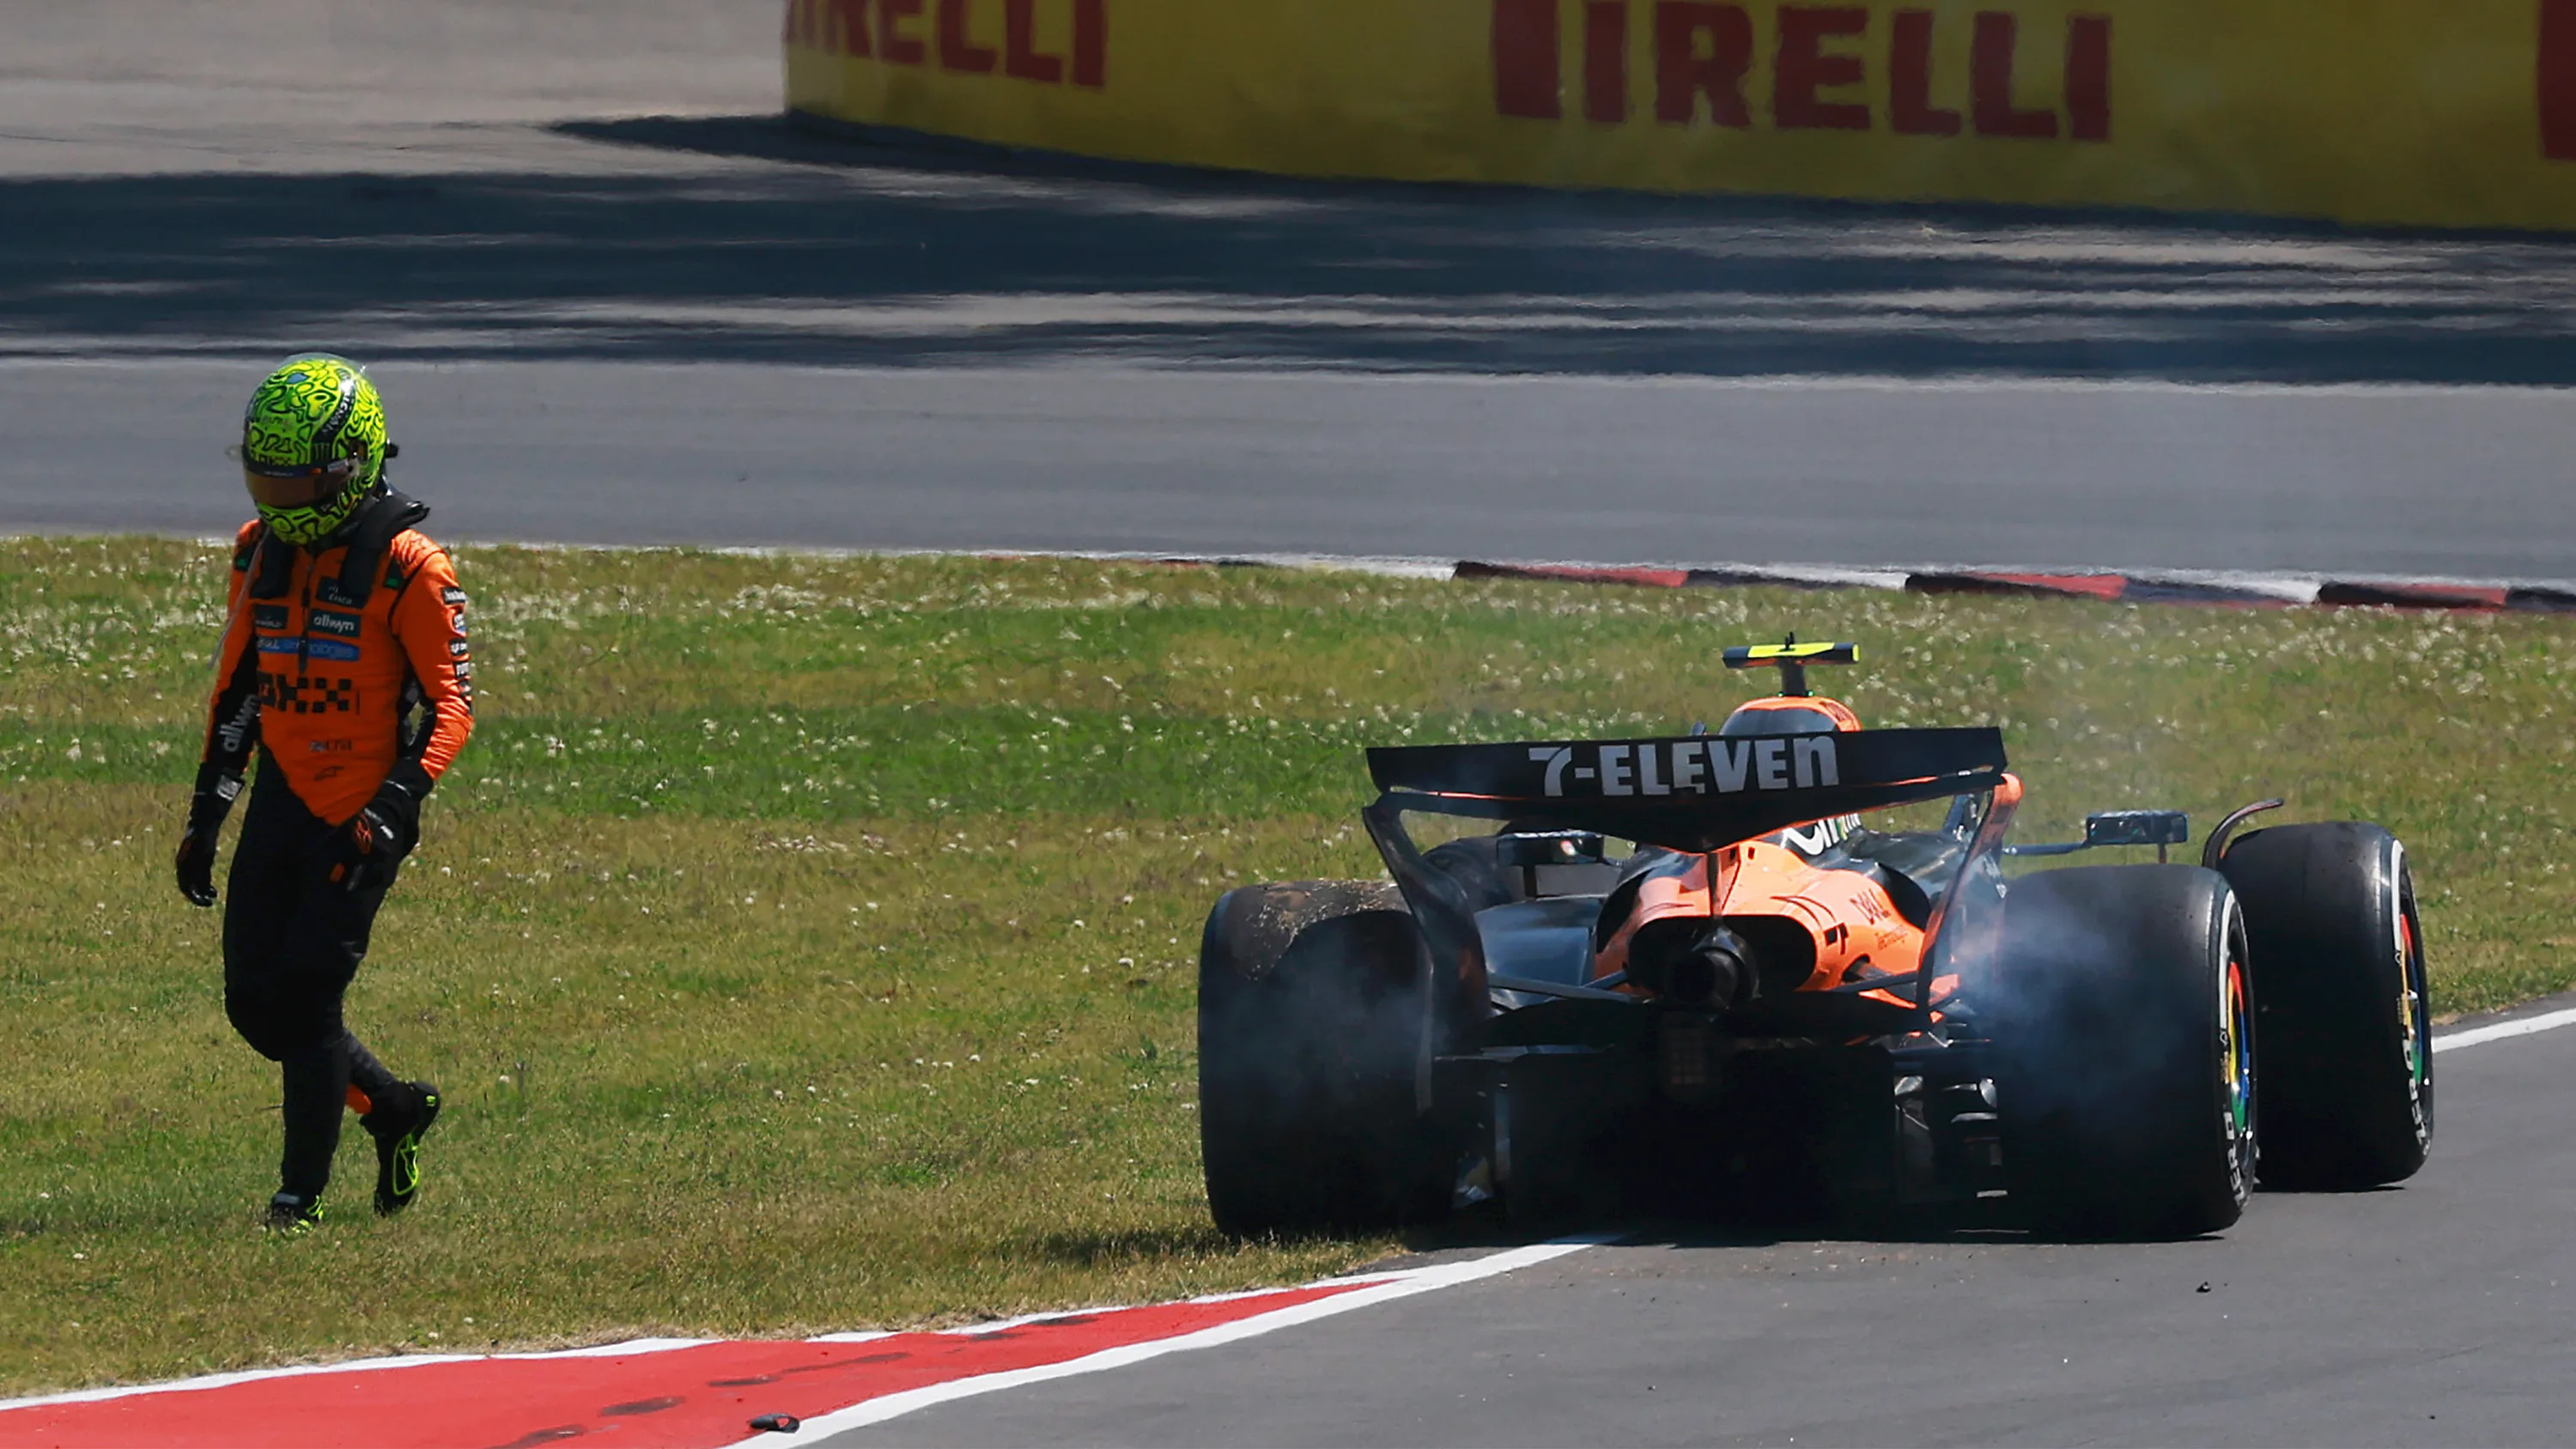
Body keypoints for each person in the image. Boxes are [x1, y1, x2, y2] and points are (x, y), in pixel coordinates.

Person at [173, 355, 475, 1234]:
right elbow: (237, 691)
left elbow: (452, 707)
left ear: (350, 465)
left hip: (362, 815)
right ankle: (390, 1107)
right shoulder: (256, 550)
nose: (277, 497)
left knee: (306, 997)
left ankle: (296, 1196)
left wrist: (392, 808)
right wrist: (207, 814)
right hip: (281, 798)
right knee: (252, 1002)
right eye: (262, 477)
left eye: (292, 479)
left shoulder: (412, 568)